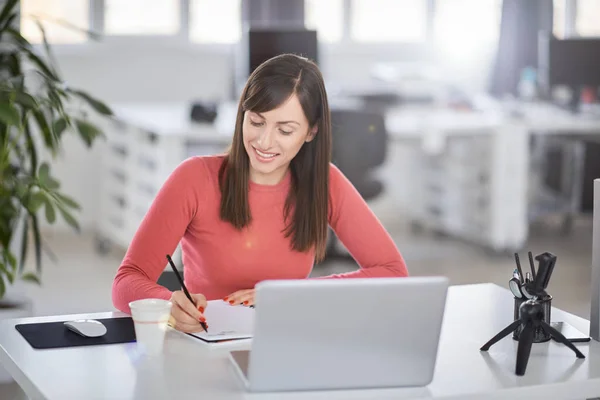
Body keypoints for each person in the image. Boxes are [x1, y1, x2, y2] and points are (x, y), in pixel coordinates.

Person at [112, 54, 408, 333]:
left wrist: (288, 295)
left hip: (286, 339)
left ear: (311, 132)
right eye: (256, 122)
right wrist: (167, 305)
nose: (264, 142)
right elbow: (127, 280)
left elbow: (393, 273)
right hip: (207, 342)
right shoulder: (194, 178)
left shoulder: (326, 182)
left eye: (285, 130)